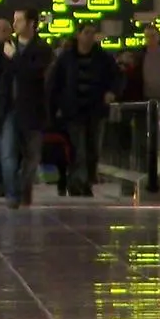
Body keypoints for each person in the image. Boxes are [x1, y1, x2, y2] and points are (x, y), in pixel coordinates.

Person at [0, 7, 53, 208]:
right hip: (7, 109)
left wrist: (16, 58)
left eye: (19, 20)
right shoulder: (4, 47)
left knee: (32, 156)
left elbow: (33, 74)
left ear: (31, 24)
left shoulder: (43, 50)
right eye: (14, 20)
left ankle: (22, 187)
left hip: (32, 110)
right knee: (7, 154)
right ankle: (12, 194)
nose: (15, 24)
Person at [48, 22, 121, 196]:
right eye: (87, 32)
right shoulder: (66, 58)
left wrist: (112, 92)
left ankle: (87, 181)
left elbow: (117, 77)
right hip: (73, 112)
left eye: (92, 33)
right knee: (78, 148)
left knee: (93, 149)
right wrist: (55, 107)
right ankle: (77, 183)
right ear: (78, 35)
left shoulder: (103, 58)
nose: (90, 36)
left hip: (95, 110)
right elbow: (55, 83)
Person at [128, 21, 160, 193]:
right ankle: (144, 170)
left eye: (153, 36)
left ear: (158, 36)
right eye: (147, 37)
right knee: (142, 136)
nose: (150, 39)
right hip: (145, 100)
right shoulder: (140, 55)